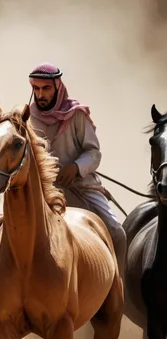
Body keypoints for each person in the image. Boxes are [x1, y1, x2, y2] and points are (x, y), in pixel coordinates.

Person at [28, 62, 126, 275]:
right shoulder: (27, 117)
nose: (40, 94)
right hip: (43, 191)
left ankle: (119, 290)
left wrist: (75, 167)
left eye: (46, 89)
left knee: (117, 232)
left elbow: (94, 152)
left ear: (57, 88)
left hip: (81, 185)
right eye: (36, 89)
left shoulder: (76, 114)